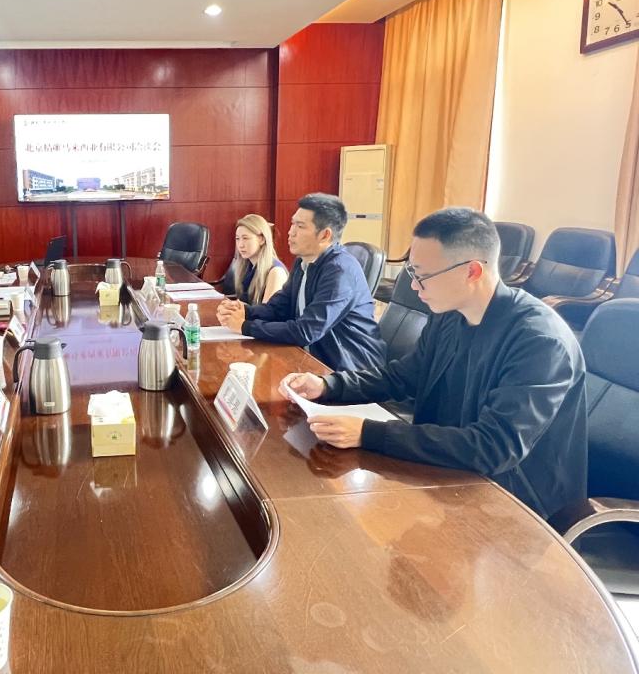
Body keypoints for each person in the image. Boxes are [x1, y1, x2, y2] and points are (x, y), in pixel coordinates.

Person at [279, 207, 586, 520]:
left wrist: (368, 433)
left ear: (472, 272)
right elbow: (404, 376)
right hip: (446, 473)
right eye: (411, 273)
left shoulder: (540, 341)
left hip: (513, 502)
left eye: (422, 276)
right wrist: (328, 385)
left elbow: (495, 447)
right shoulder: (450, 315)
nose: (414, 287)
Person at [216, 193, 386, 372]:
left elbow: (306, 330)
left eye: (300, 226)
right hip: (310, 359)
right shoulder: (302, 262)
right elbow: (278, 308)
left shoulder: (340, 271)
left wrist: (245, 326)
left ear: (325, 235)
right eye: (292, 224)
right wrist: (245, 311)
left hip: (349, 370)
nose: (291, 232)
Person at [229, 214, 288, 304]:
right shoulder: (248, 266)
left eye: (245, 238)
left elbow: (267, 310)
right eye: (237, 238)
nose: (240, 245)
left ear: (262, 240)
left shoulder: (276, 272)